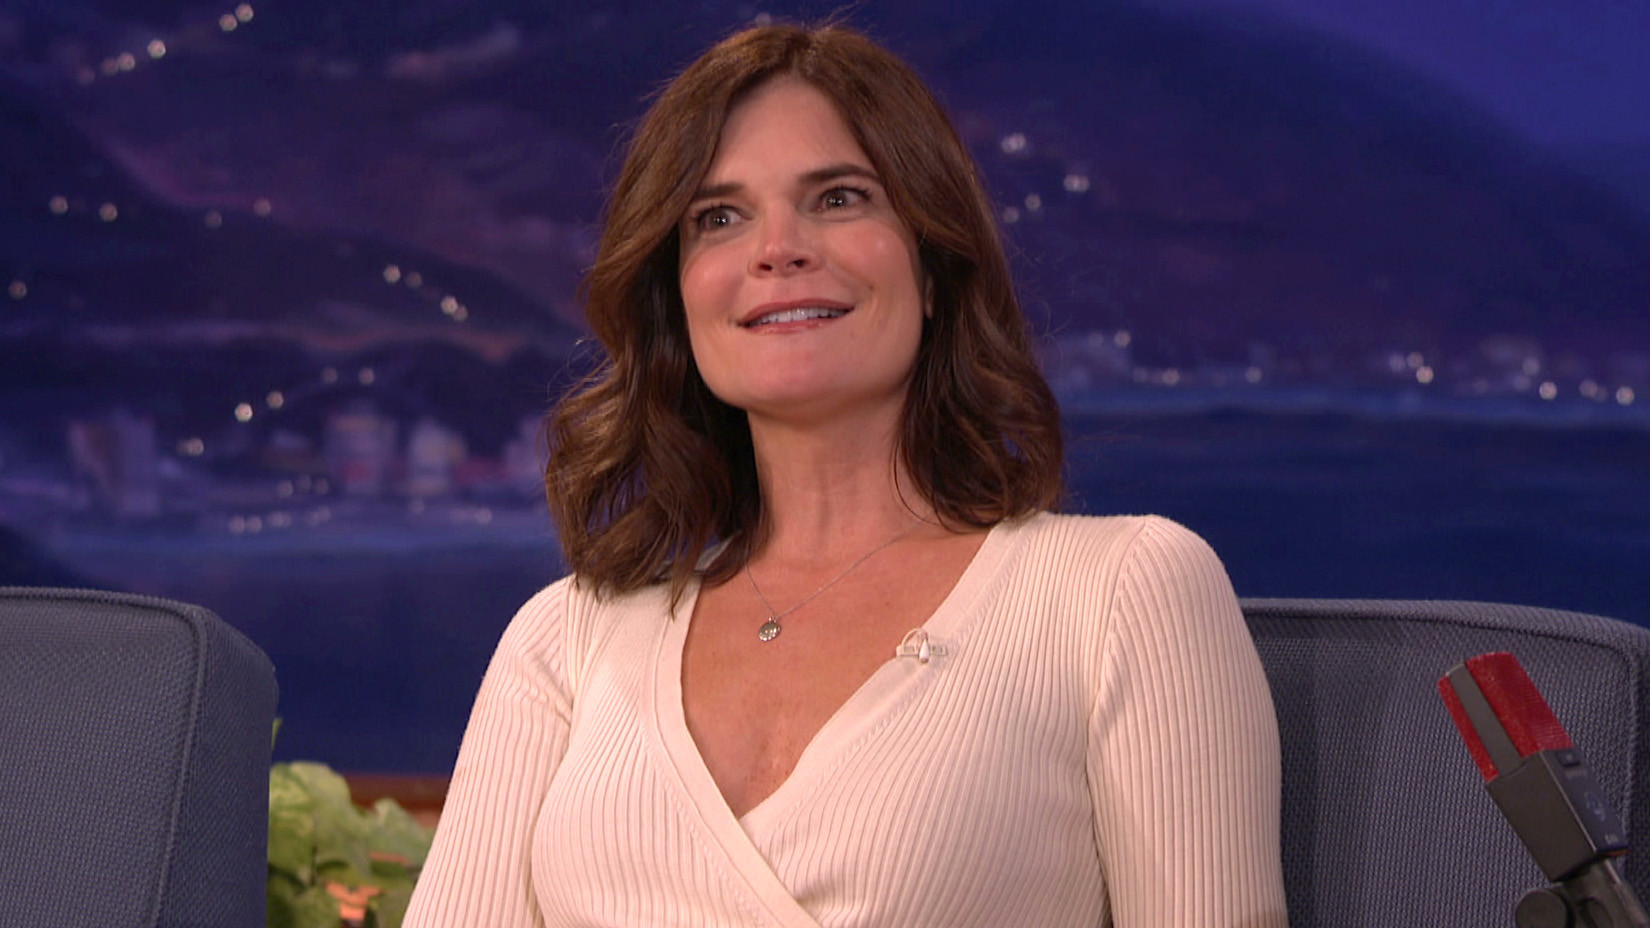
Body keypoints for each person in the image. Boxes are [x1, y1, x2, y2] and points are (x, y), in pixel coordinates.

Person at [405, 21, 1285, 928]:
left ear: (933, 267)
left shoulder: (1121, 592)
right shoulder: (566, 639)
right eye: (719, 217)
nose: (777, 248)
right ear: (678, 296)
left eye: (837, 199)